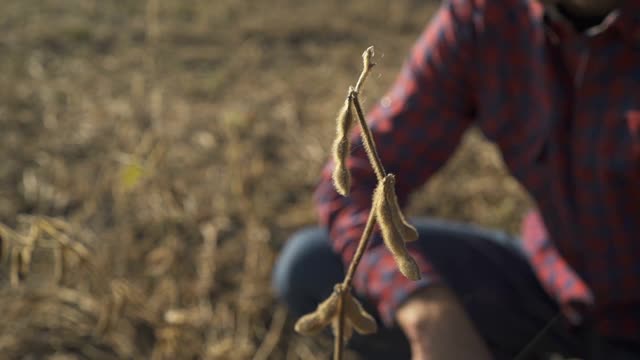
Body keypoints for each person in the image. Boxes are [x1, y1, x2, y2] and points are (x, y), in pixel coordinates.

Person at [273, 0, 640, 359]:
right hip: (554, 286)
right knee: (313, 265)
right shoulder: (487, 17)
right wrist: (427, 313)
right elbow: (353, 183)